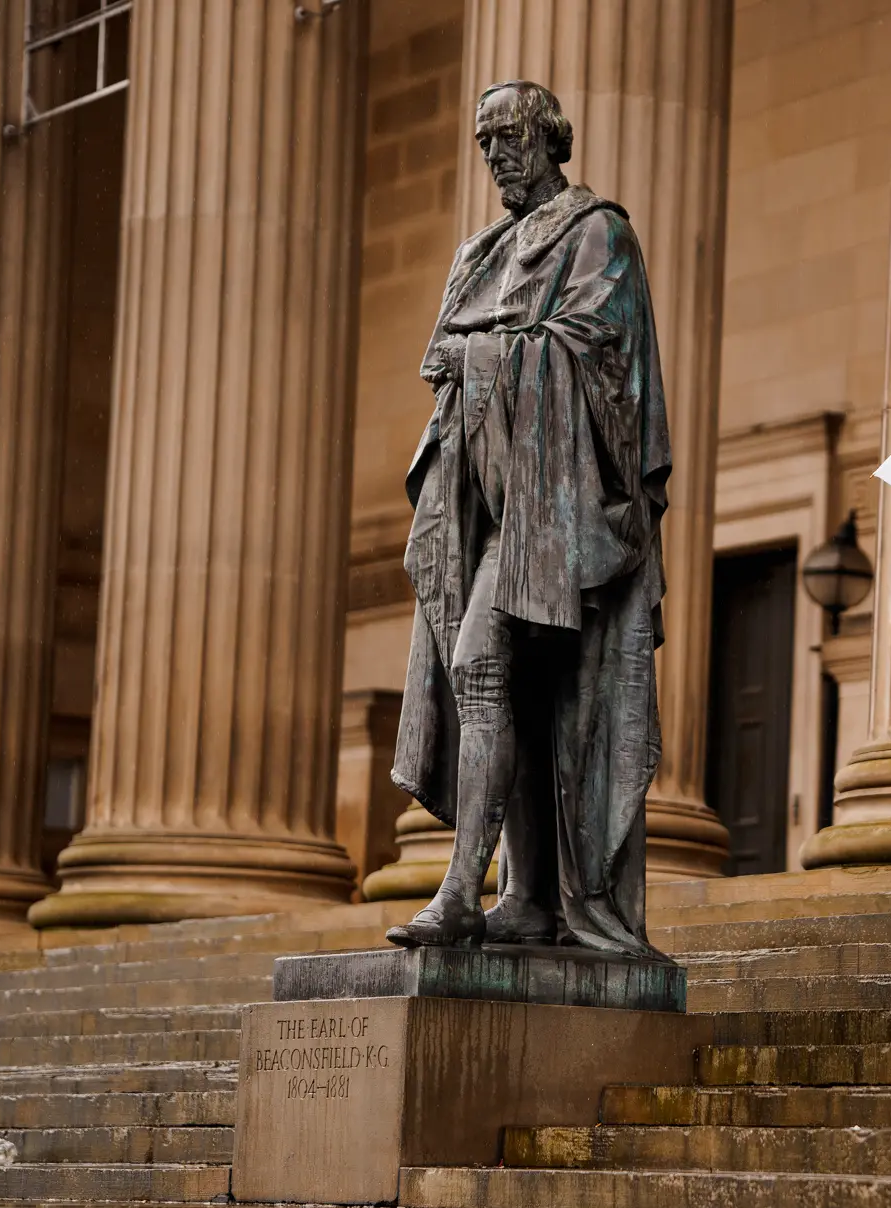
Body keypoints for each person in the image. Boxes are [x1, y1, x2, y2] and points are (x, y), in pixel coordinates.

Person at [384, 81, 671, 959]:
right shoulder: (477, 254)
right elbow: (440, 363)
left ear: (552, 139)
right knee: (521, 694)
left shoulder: (598, 235)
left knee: (484, 667)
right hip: (491, 508)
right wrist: (473, 366)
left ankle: (460, 892)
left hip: (565, 512)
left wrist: (488, 355)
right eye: (484, 141)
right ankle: (526, 896)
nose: (497, 155)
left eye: (510, 136)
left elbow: (605, 361)